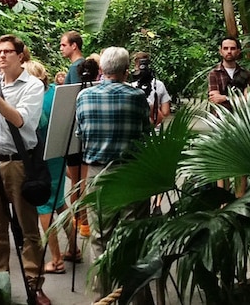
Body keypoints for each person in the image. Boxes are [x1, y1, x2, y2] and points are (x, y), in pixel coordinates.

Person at [0, 35, 50, 305]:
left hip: (18, 161)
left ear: (20, 56)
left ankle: (34, 284)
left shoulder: (33, 86)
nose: (2, 56)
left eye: (8, 51)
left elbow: (19, 120)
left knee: (27, 227)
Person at [74, 47, 151, 300]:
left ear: (101, 69)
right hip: (131, 173)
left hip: (98, 173)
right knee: (132, 236)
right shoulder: (137, 96)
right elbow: (146, 133)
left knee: (100, 238)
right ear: (126, 71)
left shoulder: (84, 96)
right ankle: (134, 297)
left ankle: (101, 298)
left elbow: (80, 134)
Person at [26, 60, 68, 275]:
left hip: (42, 156)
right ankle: (74, 248)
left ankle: (56, 259)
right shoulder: (54, 92)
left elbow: (36, 124)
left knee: (44, 206)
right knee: (60, 203)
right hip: (59, 153)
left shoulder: (36, 99)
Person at [207, 36, 250, 111]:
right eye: (225, 48)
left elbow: (248, 99)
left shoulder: (245, 74)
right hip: (221, 116)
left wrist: (225, 98)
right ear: (220, 51)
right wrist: (239, 99)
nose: (229, 51)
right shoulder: (214, 73)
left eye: (232, 48)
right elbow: (215, 100)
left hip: (241, 116)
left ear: (238, 52)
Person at [130, 52, 172, 127]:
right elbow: (165, 112)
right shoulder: (159, 85)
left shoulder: (130, 87)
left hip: (136, 127)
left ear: (136, 66)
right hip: (156, 129)